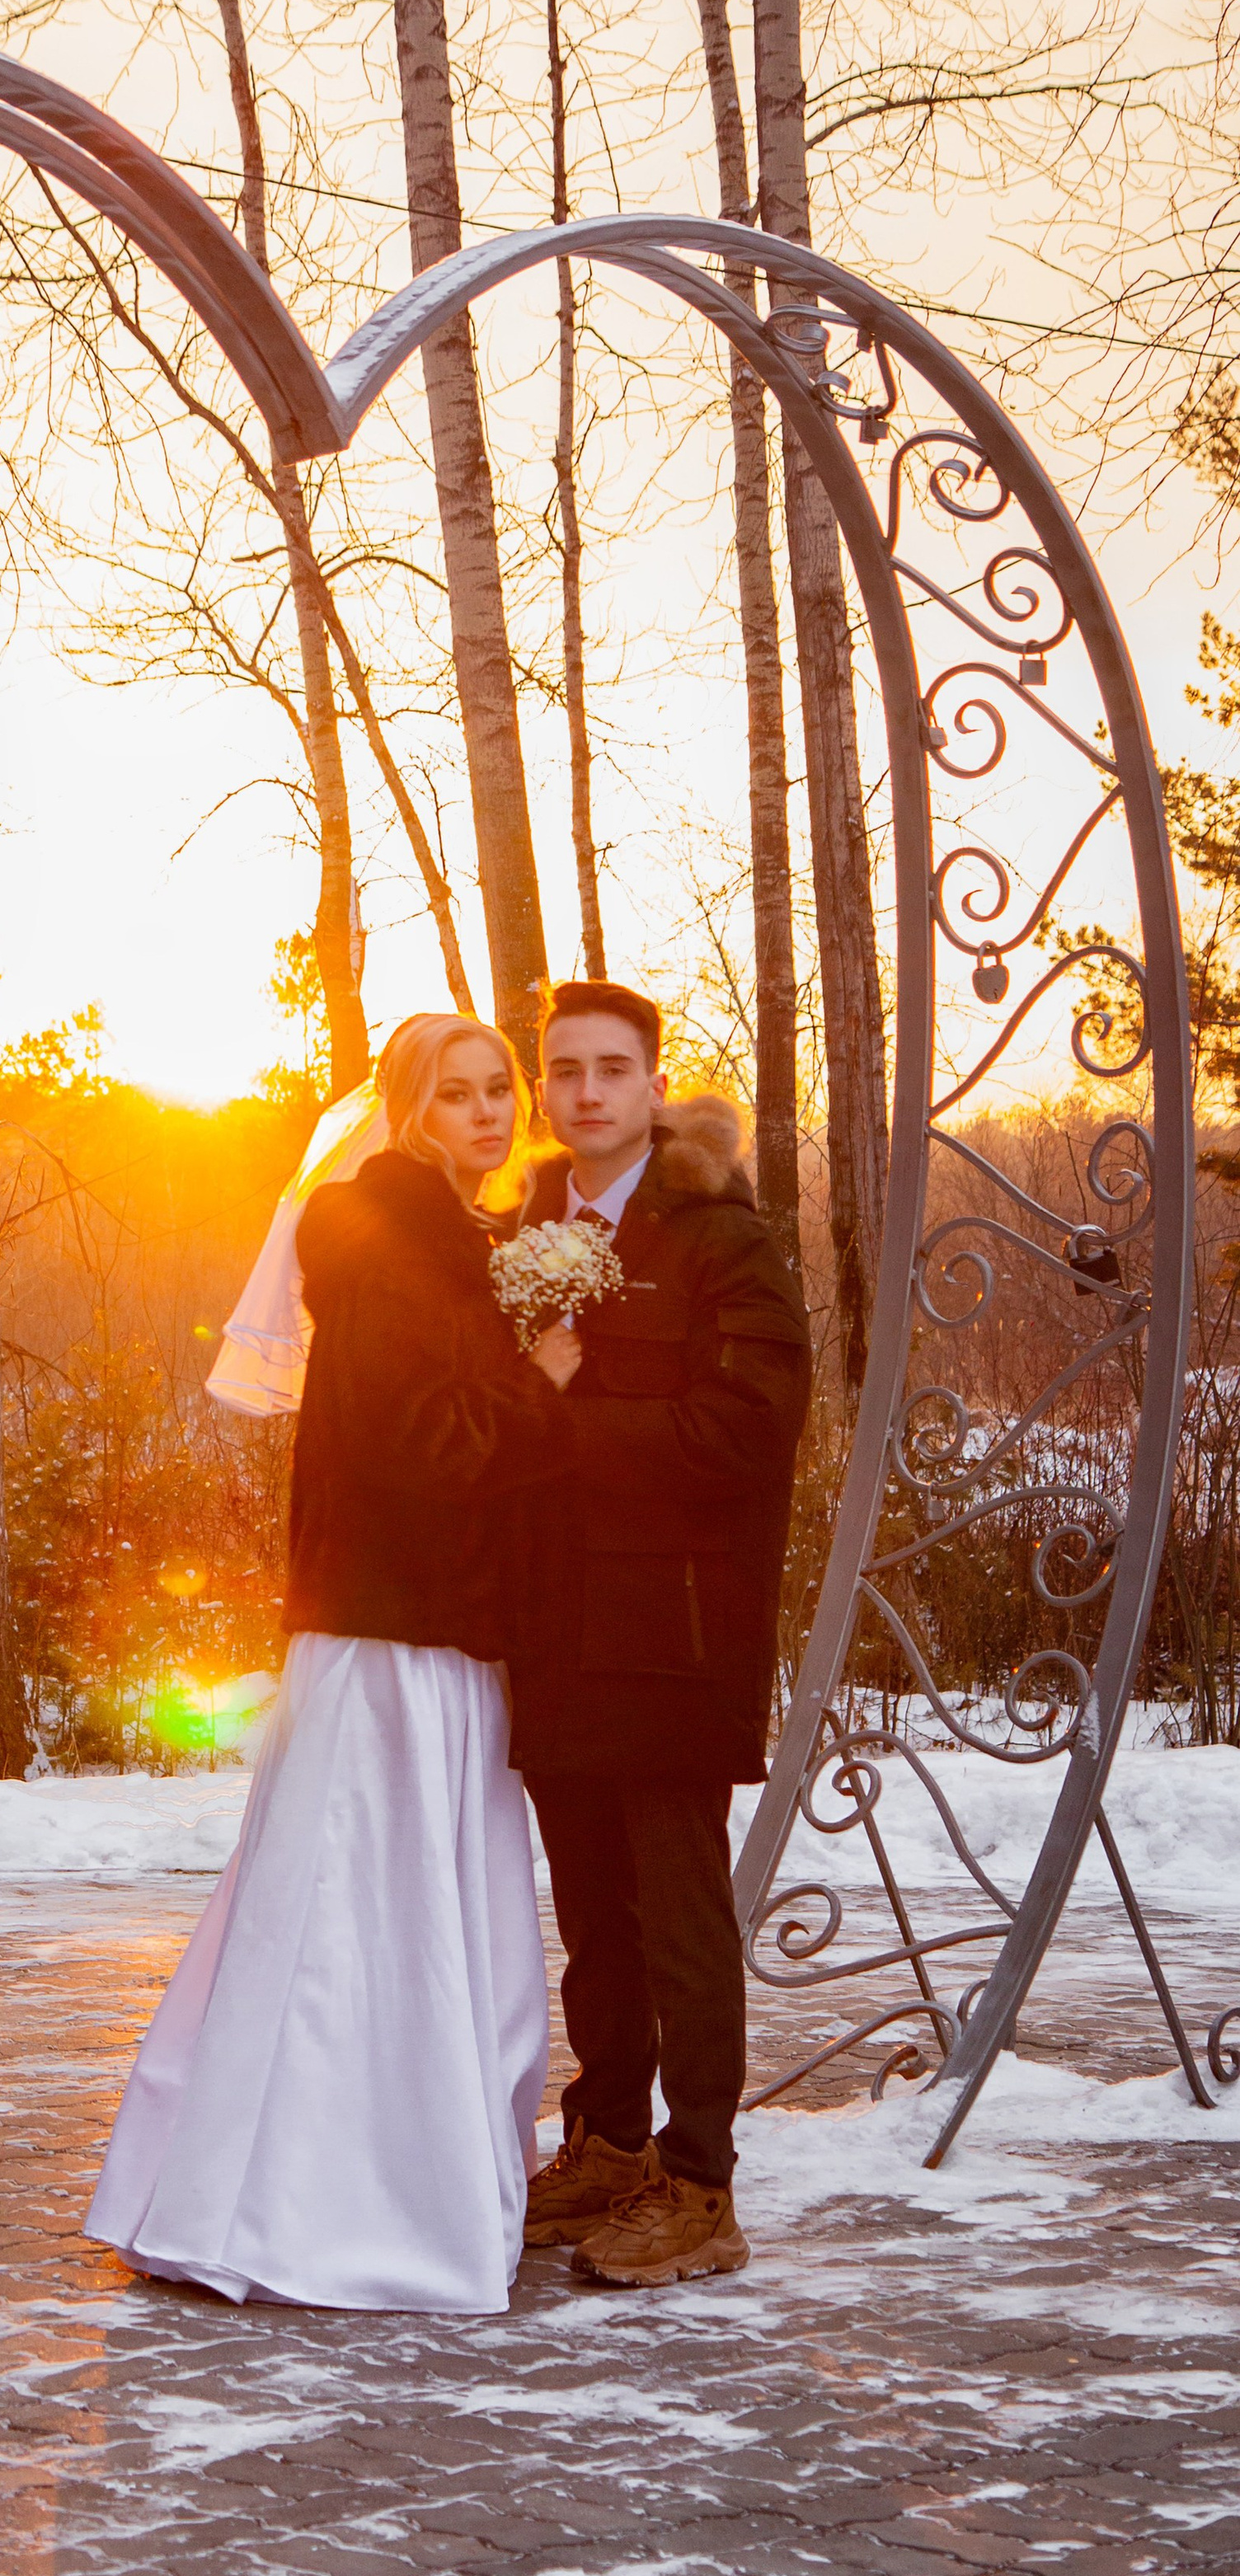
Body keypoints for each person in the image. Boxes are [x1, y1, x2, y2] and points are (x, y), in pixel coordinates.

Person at [84, 1015, 580, 2313]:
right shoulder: (387, 1248)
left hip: (419, 1626)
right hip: (395, 1635)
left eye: (498, 1091)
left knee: (381, 1908)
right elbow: (417, 1446)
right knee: (375, 1912)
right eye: (456, 1096)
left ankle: (325, 2189)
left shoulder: (435, 1239)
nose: (485, 1114)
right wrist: (543, 1382)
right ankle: (333, 2209)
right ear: (408, 1114)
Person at [509, 979, 810, 2289]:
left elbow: (745, 1433)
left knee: (681, 1909)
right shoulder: (522, 1220)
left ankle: (701, 2183)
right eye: (563, 1068)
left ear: (651, 1084)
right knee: (593, 1911)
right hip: (555, 1617)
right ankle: (612, 2139)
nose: (584, 1091)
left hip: (675, 1622)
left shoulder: (722, 1238)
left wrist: (575, 1402)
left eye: (610, 1069)